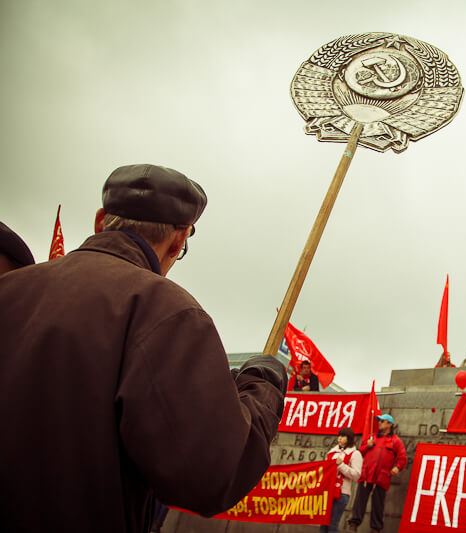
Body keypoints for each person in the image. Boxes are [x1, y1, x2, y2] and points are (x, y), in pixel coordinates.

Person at [0, 164, 288, 532]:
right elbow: (212, 474)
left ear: (101, 220)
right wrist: (262, 386)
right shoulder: (166, 309)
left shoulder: (10, 288)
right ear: (179, 239)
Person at [348, 414, 407, 533]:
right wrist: (366, 446)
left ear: (390, 424)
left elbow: (402, 458)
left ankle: (375, 528)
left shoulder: (396, 441)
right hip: (366, 475)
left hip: (382, 477)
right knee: (359, 500)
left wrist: (398, 467)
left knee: (378, 504)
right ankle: (353, 523)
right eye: (379, 421)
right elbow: (359, 453)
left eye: (382, 421)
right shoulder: (371, 437)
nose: (379, 423)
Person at [322, 428, 363, 533]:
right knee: (323, 525)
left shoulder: (355, 454)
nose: (339, 438)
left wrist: (341, 465)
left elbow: (356, 475)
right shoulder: (332, 452)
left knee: (333, 525)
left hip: (342, 493)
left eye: (343, 436)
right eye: (339, 436)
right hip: (328, 492)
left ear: (349, 439)